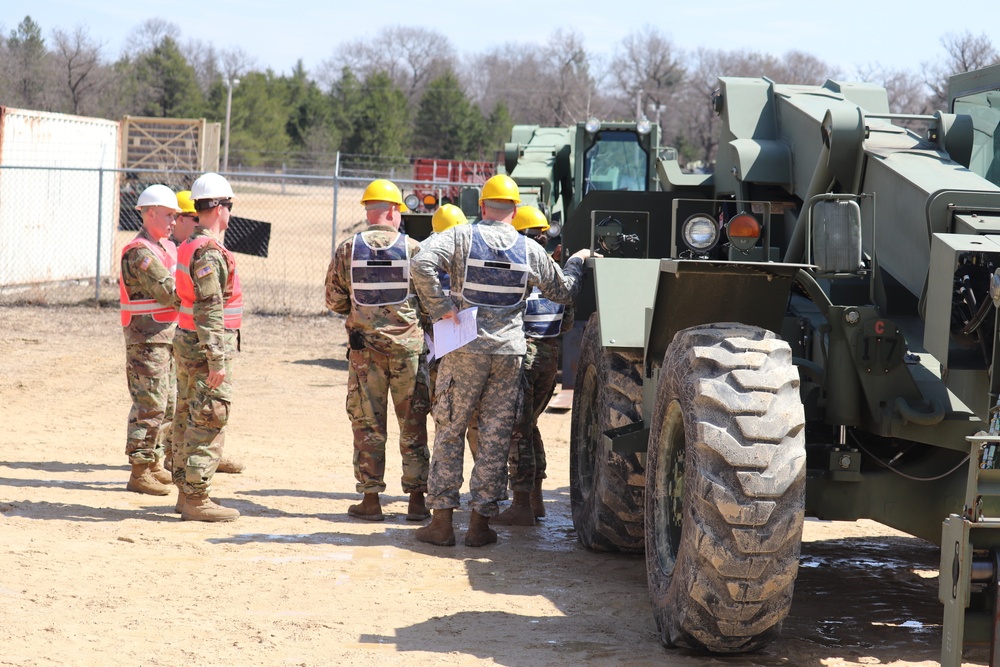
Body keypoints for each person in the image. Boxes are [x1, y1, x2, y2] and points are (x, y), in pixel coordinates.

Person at [409, 174, 596, 547]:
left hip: (466, 348)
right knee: (495, 437)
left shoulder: (461, 237)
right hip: (510, 352)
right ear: (514, 211)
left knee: (451, 429)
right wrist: (576, 263)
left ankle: (442, 523)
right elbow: (562, 292)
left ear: (482, 207)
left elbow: (422, 263)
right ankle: (480, 525)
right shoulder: (529, 249)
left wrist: (443, 308)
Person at [325, 179, 431, 522]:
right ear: (393, 210)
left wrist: (362, 318)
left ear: (369, 211)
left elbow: (334, 299)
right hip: (408, 354)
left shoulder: (347, 249)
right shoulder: (414, 249)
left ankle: (371, 501)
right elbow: (430, 302)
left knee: (367, 426)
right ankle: (417, 500)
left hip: (364, 354)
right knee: (412, 425)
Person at [491, 205, 574, 526]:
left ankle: (522, 503)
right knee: (530, 425)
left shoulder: (512, 268)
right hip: (548, 359)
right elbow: (567, 321)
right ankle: (536, 500)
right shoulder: (556, 273)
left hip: (521, 359)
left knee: (518, 431)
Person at [172, 172, 243, 522]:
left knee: (187, 415)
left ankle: (186, 494)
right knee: (208, 417)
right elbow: (209, 308)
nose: (230, 212)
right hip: (204, 348)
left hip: (188, 342)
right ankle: (197, 498)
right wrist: (217, 359)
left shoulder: (188, 244)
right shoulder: (208, 251)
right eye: (228, 205)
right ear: (218, 208)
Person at [119, 184, 182, 495]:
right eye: (169, 215)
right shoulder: (140, 253)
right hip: (146, 341)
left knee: (166, 404)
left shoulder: (163, 247)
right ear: (150, 213)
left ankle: (154, 460)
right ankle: (139, 470)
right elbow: (170, 291)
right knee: (150, 405)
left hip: (163, 338)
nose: (174, 221)